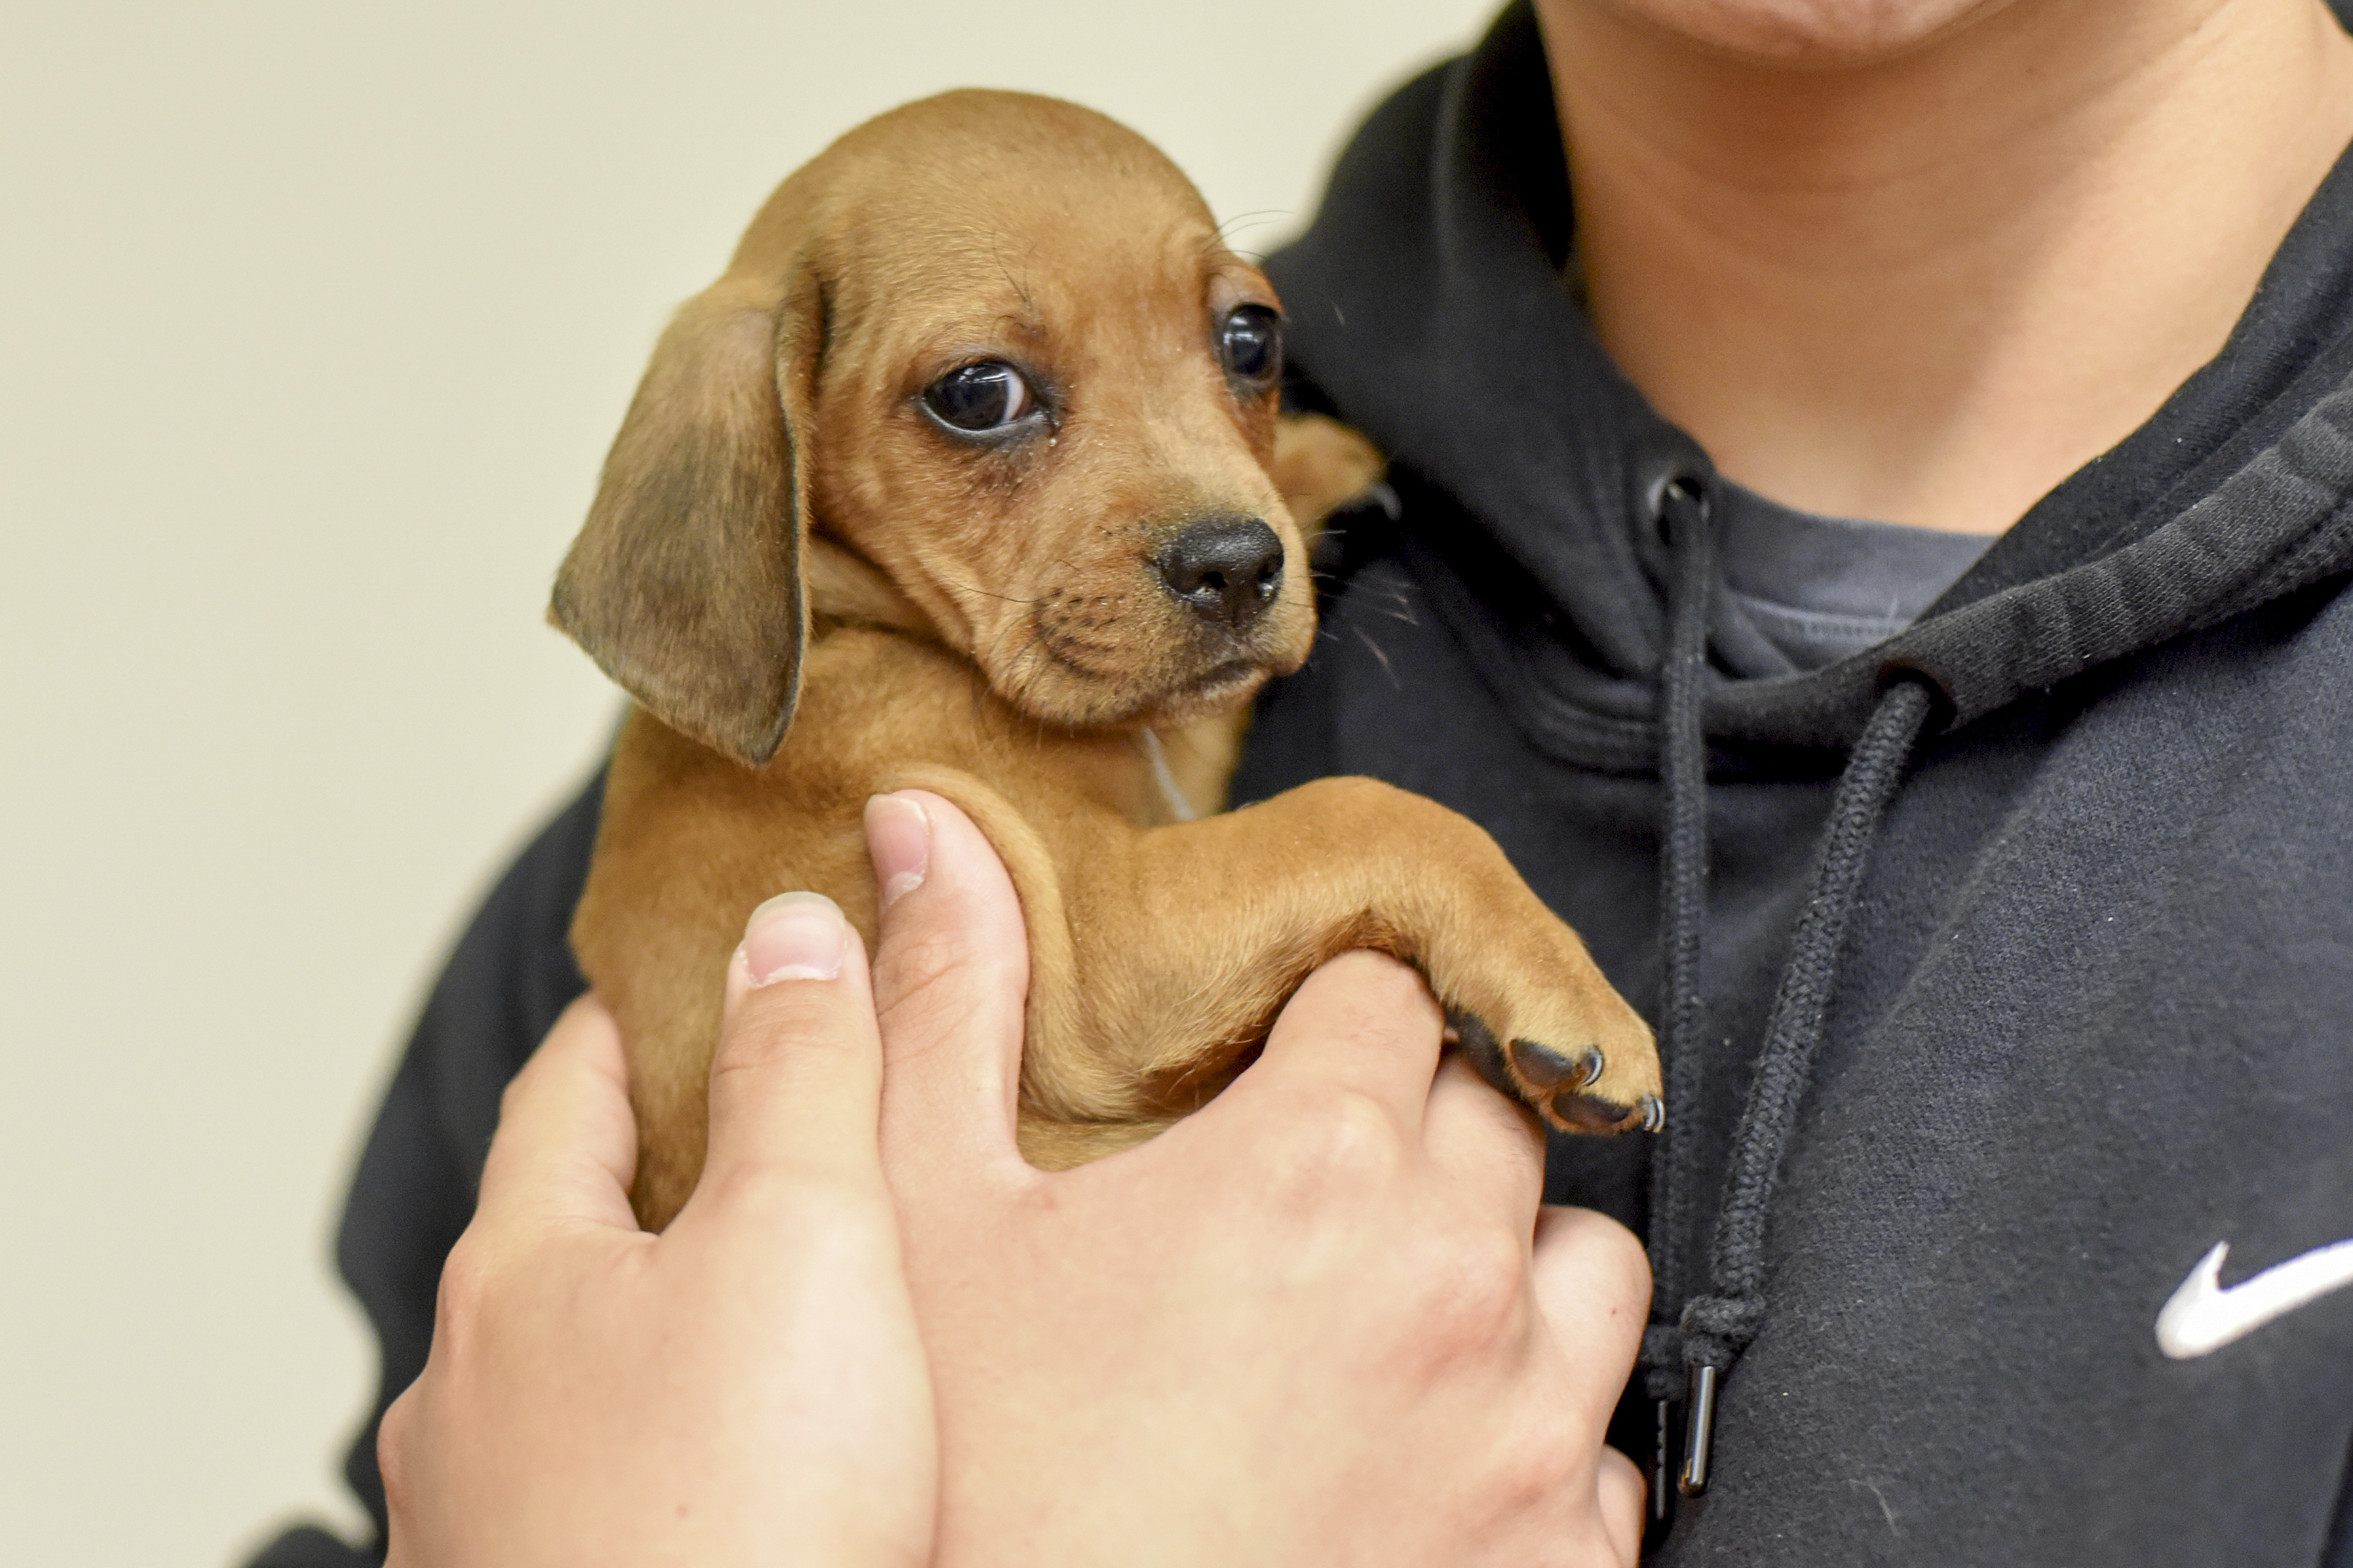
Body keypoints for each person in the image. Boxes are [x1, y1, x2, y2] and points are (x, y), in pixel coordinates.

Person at [248, 0, 2353, 1561]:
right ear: (779, 465)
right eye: (984, 402)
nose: (1219, 504)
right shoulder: (690, 845)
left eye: (1236, 354)